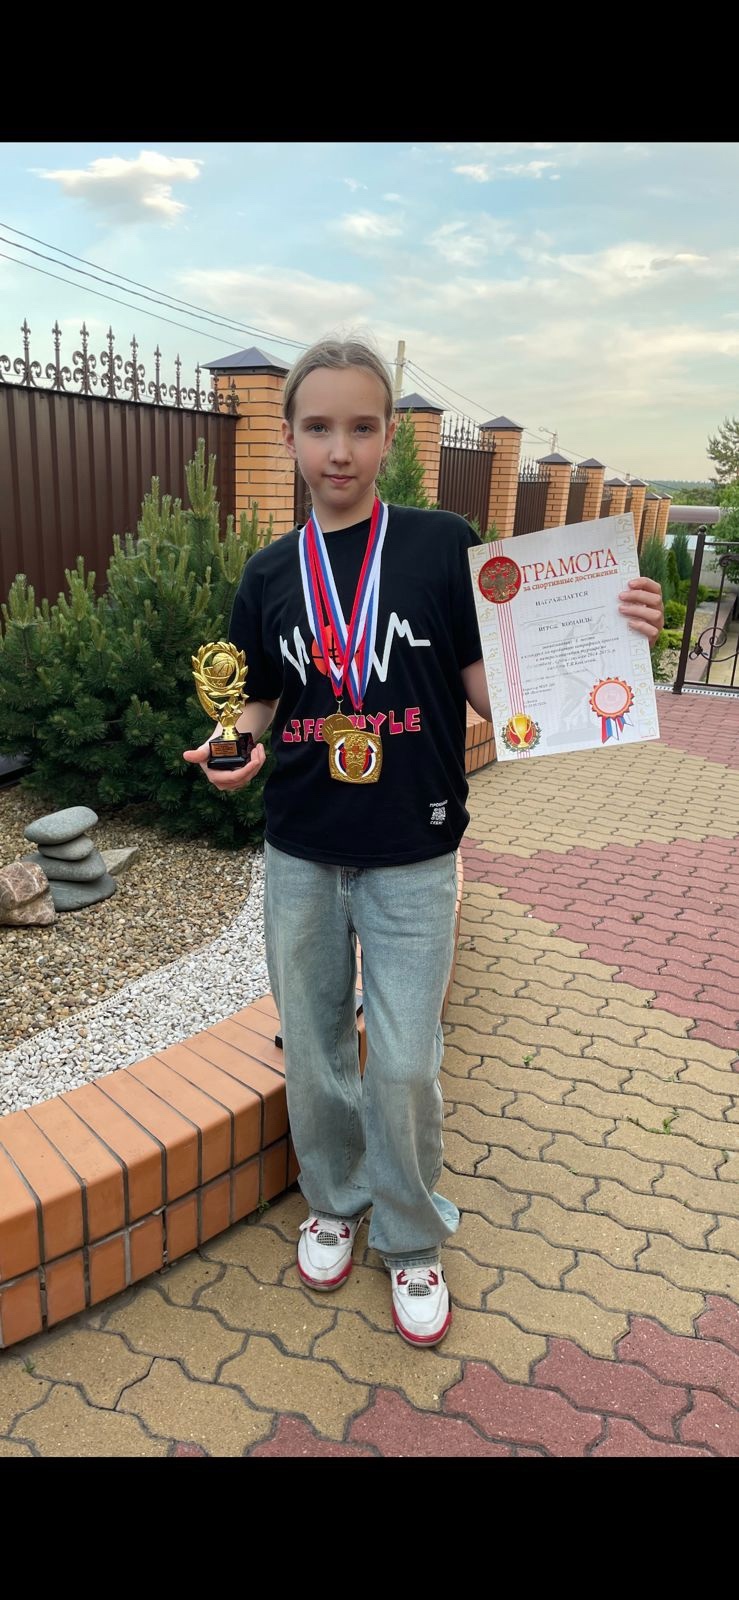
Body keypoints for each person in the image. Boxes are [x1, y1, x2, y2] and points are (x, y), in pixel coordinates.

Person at [184, 337, 664, 1346]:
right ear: (289, 437)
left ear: (389, 437)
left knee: (404, 1062)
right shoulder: (269, 572)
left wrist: (612, 640)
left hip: (415, 849)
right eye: (319, 427)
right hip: (302, 847)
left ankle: (409, 1236)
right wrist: (241, 746)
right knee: (316, 1048)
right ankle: (334, 1200)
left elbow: (495, 691)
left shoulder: (441, 546)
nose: (340, 450)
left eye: (361, 427)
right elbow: (260, 697)